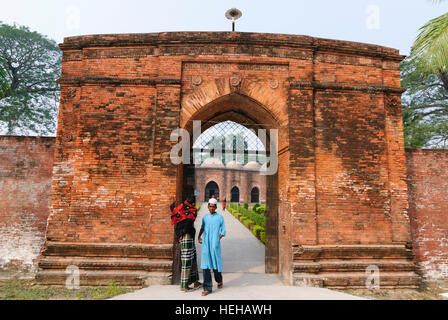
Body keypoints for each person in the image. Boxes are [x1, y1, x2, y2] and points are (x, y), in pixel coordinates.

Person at [170, 197, 202, 292]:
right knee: (186, 261)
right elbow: (188, 223)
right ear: (192, 204)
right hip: (186, 237)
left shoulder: (180, 209)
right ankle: (184, 286)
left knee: (193, 259)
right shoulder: (191, 211)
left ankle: (195, 281)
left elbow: (172, 208)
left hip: (185, 236)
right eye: (194, 204)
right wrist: (182, 234)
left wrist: (174, 202)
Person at [198, 197, 226, 296]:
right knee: (205, 265)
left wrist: (218, 239)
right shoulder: (205, 217)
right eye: (210, 206)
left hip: (214, 244)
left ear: (216, 207)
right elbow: (202, 227)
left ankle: (219, 279)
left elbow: (223, 231)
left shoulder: (220, 218)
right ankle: (207, 288)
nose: (211, 208)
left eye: (213, 207)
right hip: (206, 243)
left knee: (215, 264)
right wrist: (199, 236)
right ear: (208, 207)